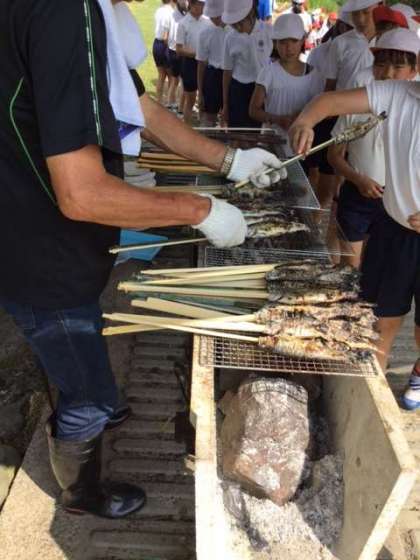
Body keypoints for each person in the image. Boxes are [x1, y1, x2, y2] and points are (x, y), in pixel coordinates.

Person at [1, 0, 286, 519]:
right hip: (39, 253)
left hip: (38, 237)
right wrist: (199, 209)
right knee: (84, 386)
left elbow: (137, 105)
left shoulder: (81, 14)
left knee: (80, 344)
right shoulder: (61, 12)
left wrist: (228, 160)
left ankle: (93, 395)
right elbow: (81, 194)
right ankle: (81, 493)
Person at [289, 60, 420, 409]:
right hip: (394, 231)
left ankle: (418, 372)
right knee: (381, 319)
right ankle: (372, 397)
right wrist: (305, 121)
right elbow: (329, 101)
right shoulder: (398, 94)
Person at [327, 28, 419, 268]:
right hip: (357, 196)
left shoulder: (413, 111)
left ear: (414, 69)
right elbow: (334, 155)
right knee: (350, 266)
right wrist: (357, 179)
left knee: (380, 269)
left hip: (399, 207)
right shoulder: (358, 104)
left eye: (398, 66)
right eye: (381, 64)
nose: (387, 73)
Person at [249, 13, 324, 165]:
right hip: (272, 144)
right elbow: (253, 110)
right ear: (275, 43)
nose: (288, 48)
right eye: (282, 42)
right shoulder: (268, 72)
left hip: (300, 146)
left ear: (302, 40)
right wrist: (277, 119)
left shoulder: (314, 74)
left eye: (294, 41)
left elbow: (320, 108)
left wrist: (302, 116)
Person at [222, 0, 273, 128]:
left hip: (263, 89)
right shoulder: (230, 38)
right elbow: (227, 72)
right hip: (239, 90)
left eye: (240, 23)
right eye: (233, 25)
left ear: (250, 14)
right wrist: (226, 105)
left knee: (260, 131)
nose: (238, 28)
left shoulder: (269, 31)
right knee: (239, 132)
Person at [176, 0, 208, 123]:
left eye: (203, 4)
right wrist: (197, 54)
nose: (203, 6)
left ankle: (202, 125)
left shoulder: (207, 22)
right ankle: (186, 127)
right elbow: (179, 49)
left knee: (204, 97)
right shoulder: (183, 23)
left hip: (205, 64)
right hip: (190, 64)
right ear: (192, 4)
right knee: (190, 99)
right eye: (200, 4)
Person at [196, 0, 227, 126]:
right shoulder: (205, 33)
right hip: (213, 75)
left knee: (229, 116)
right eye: (213, 16)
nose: (215, 19)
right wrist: (200, 92)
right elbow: (201, 64)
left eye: (218, 16)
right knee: (209, 116)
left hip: (231, 75)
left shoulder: (234, 31)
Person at [166, 1, 187, 112]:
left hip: (171, 50)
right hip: (179, 51)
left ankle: (170, 103)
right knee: (180, 81)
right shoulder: (183, 19)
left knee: (174, 80)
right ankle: (179, 107)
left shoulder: (172, 15)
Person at [153, 0, 173, 104]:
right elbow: (166, 36)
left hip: (156, 43)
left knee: (161, 75)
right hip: (165, 45)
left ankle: (158, 100)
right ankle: (169, 102)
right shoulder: (171, 13)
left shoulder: (159, 10)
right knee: (171, 77)